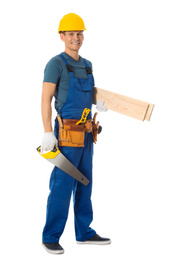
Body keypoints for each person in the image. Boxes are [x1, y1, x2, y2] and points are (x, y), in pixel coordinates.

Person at [41, 13, 111, 254]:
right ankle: (50, 236)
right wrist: (48, 132)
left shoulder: (88, 64)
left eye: (79, 33)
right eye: (70, 34)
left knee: (85, 182)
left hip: (87, 133)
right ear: (62, 36)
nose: (76, 38)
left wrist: (97, 103)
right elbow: (45, 99)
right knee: (62, 184)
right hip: (66, 135)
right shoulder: (56, 63)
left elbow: (89, 94)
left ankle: (84, 232)